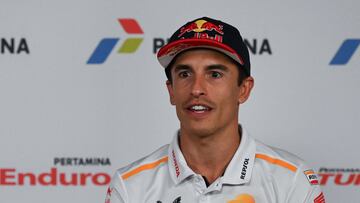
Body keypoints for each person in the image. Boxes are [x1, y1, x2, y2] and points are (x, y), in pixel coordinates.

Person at [105, 17, 325, 203]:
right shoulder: (130, 187)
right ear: (171, 91)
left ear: (244, 89)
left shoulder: (291, 179)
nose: (197, 89)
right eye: (184, 74)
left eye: (215, 74)